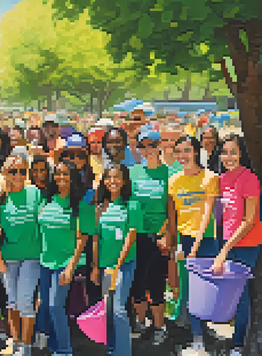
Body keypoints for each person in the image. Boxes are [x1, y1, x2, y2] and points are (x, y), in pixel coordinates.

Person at [38, 160, 94, 356]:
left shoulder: (81, 205)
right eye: (58, 173)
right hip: (45, 262)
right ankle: (54, 345)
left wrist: (71, 266)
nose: (60, 178)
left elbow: (83, 238)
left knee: (55, 306)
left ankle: (64, 350)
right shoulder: (47, 199)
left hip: (65, 263)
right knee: (46, 305)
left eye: (65, 174)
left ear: (73, 177)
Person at [169, 136, 219, 352]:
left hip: (205, 240)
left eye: (187, 151)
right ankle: (197, 337)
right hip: (184, 240)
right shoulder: (174, 180)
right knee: (189, 291)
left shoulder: (210, 178)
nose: (182, 156)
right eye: (178, 151)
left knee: (206, 291)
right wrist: (175, 244)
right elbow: (173, 216)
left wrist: (195, 247)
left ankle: (204, 332)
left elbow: (207, 215)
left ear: (196, 152)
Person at [213, 134, 259, 356]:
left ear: (242, 153)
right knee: (233, 294)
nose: (228, 156)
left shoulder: (249, 179)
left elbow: (249, 221)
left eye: (233, 151)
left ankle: (239, 345)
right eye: (224, 152)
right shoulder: (222, 179)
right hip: (228, 243)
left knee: (240, 296)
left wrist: (224, 250)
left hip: (245, 244)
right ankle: (236, 339)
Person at [0, 155, 44, 356]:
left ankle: (26, 346)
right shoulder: (0, 198)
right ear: (6, 173)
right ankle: (14, 342)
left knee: (24, 301)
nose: (18, 175)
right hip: (8, 257)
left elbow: (43, 220)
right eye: (13, 171)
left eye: (22, 171)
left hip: (32, 256)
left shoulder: (34, 192)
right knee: (12, 301)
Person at [128, 129, 173, 345]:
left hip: (159, 237)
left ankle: (159, 326)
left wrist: (167, 235)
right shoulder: (133, 172)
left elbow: (173, 210)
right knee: (137, 282)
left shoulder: (170, 173)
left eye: (152, 145)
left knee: (156, 282)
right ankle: (139, 321)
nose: (148, 150)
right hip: (136, 236)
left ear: (159, 146)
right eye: (143, 146)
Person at [91, 163, 141, 356]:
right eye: (109, 177)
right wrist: (96, 267)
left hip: (124, 265)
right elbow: (96, 238)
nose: (113, 181)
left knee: (119, 309)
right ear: (104, 181)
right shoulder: (100, 206)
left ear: (124, 181)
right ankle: (111, 348)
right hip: (104, 265)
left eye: (117, 177)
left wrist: (118, 266)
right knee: (108, 310)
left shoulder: (132, 204)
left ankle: (123, 352)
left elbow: (131, 235)